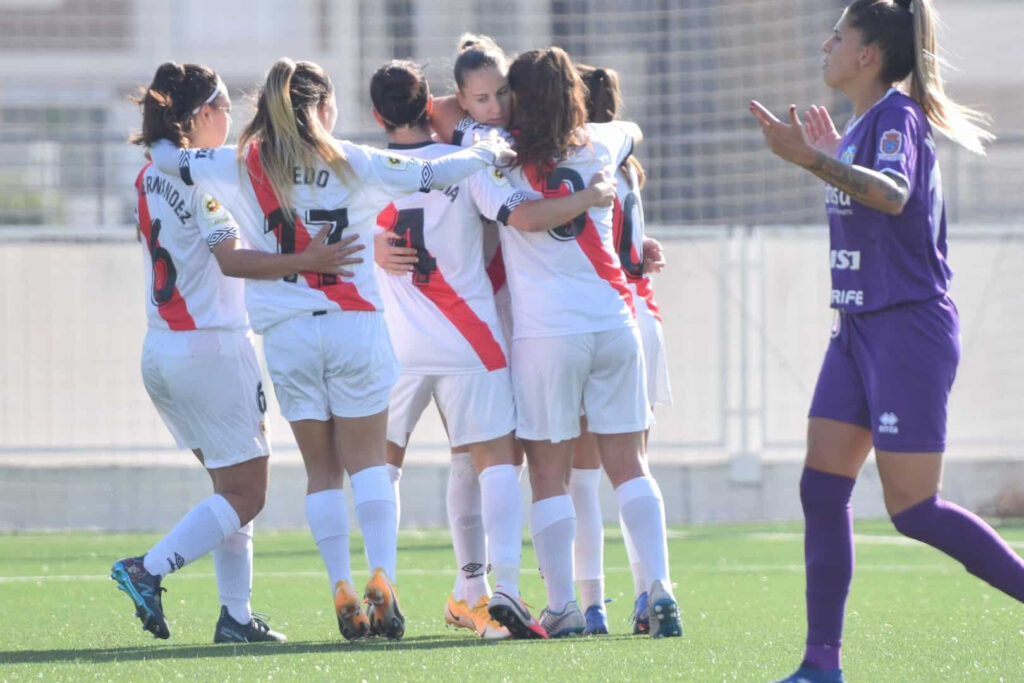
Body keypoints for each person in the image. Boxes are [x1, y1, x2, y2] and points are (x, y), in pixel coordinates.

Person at [147, 58, 515, 641]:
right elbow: (435, 174)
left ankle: (340, 584)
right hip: (354, 326)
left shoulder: (240, 163)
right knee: (369, 462)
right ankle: (382, 580)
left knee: (322, 472)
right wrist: (490, 152)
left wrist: (162, 132)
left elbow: (168, 158)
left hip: (288, 334)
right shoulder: (353, 159)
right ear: (321, 108)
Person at [748, 2, 1020, 681]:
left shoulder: (897, 117)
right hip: (857, 328)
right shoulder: (866, 124)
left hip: (908, 328)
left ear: (868, 55)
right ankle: (820, 665)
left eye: (839, 35)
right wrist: (826, 155)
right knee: (821, 489)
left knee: (914, 510)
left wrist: (813, 157)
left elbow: (894, 196)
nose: (826, 43)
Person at [111, 62, 359, 643]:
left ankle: (236, 617)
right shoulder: (205, 181)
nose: (233, 118)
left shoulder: (151, 172)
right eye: (225, 107)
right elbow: (230, 258)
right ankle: (147, 569)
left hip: (163, 350)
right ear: (200, 116)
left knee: (231, 492)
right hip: (211, 350)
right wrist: (308, 261)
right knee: (248, 492)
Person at [439, 46, 681, 639]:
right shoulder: (602, 141)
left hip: (547, 336)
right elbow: (635, 129)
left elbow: (520, 219)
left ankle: (564, 607)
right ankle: (659, 588)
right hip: (614, 324)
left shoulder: (497, 163)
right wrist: (592, 177)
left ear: (517, 99)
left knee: (549, 475)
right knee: (631, 466)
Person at [370, 59, 616, 639]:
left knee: (380, 465)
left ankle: (392, 578)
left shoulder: (366, 168)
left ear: (378, 115)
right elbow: (517, 214)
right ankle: (500, 588)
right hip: (469, 337)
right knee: (496, 462)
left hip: (396, 342)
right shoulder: (473, 160)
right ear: (437, 102)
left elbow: (336, 230)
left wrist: (374, 245)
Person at [567, 62, 673, 636]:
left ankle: (590, 606)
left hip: (601, 317)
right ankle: (651, 594)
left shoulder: (581, 165)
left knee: (583, 476)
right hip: (643, 318)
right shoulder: (627, 169)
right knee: (633, 467)